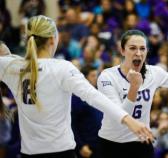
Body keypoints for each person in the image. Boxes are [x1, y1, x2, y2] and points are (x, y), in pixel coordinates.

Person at [0, 15, 154, 158]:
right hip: (61, 152)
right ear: (53, 40)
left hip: (28, 153)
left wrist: (6, 56)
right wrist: (128, 120)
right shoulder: (62, 68)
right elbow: (94, 96)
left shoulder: (11, 67)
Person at [96, 29, 168, 158]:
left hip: (141, 142)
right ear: (122, 50)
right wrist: (134, 87)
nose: (138, 53)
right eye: (133, 48)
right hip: (112, 144)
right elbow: (121, 116)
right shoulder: (107, 77)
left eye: (142, 49)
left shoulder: (153, 73)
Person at [71, 65, 103, 158]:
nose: (96, 78)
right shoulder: (77, 98)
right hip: (87, 146)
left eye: (96, 75)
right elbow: (72, 124)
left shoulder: (99, 93)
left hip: (100, 143)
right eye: (93, 75)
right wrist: (80, 145)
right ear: (85, 78)